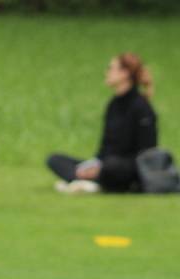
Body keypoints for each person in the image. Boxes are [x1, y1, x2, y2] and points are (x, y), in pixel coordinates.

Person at [47, 52, 157, 194]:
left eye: (111, 68)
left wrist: (104, 166)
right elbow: (105, 146)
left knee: (112, 167)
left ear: (124, 73)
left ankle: (89, 181)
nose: (107, 73)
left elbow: (147, 152)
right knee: (54, 159)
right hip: (105, 163)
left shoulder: (141, 107)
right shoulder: (113, 105)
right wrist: (94, 164)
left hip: (128, 167)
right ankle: (90, 180)